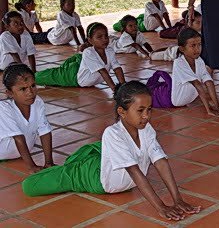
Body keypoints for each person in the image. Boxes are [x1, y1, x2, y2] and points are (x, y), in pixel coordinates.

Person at [22, 81, 201, 221]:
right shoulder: (112, 133)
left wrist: (177, 199)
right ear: (122, 112)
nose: (146, 116)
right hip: (94, 179)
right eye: (140, 110)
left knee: (105, 150)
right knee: (30, 186)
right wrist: (161, 207)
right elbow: (135, 172)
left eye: (149, 110)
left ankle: (95, 152)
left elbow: (161, 162)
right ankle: (81, 161)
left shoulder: (146, 128)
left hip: (111, 162)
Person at [35, 23, 126, 90]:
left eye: (106, 36)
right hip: (73, 76)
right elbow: (102, 71)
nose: (105, 39)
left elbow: (117, 68)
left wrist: (123, 85)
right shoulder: (89, 52)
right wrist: (115, 89)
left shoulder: (109, 50)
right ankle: (29, 76)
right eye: (99, 37)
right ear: (90, 40)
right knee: (50, 75)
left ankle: (78, 55)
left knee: (78, 59)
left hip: (80, 66)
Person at [0, 64, 54, 173]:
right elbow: (18, 138)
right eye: (23, 89)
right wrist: (32, 166)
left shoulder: (37, 102)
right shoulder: (4, 109)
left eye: (33, 85)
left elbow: (45, 132)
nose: (30, 92)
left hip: (21, 152)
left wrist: (49, 162)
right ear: (10, 93)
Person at [171, 28, 219, 117]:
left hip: (191, 97)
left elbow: (209, 82)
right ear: (182, 49)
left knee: (207, 80)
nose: (197, 49)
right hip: (179, 101)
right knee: (198, 82)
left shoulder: (199, 60)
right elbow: (197, 84)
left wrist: (218, 106)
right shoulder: (178, 62)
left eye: (199, 44)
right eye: (193, 45)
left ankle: (214, 105)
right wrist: (209, 110)